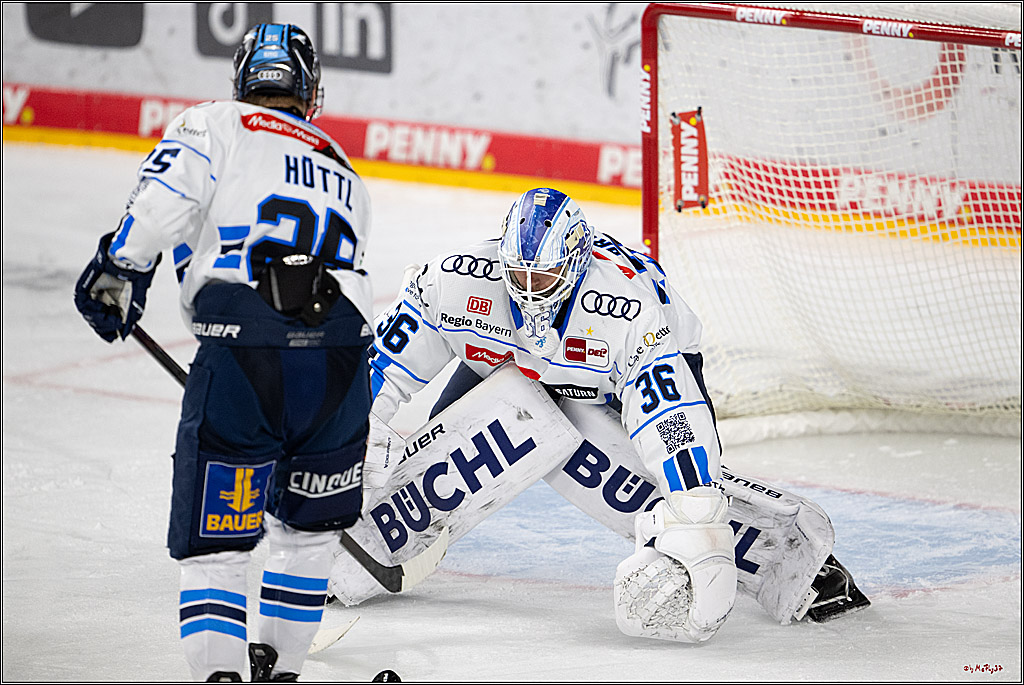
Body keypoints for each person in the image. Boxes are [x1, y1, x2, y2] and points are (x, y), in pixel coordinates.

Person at [328, 187, 870, 643]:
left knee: (635, 476)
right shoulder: (457, 281)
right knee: (455, 450)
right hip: (509, 359)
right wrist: (357, 425)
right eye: (518, 275)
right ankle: (358, 545)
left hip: (609, 379)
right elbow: (386, 360)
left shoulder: (623, 308)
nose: (527, 292)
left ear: (577, 265)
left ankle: (792, 565)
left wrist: (693, 502)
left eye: (543, 280)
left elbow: (669, 410)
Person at [74, 24, 374, 681]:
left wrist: (118, 268)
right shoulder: (344, 166)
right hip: (344, 363)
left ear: (243, 81)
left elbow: (162, 204)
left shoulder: (216, 122)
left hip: (247, 352)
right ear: (308, 89)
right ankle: (281, 663)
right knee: (309, 533)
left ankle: (221, 674)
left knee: (218, 542)